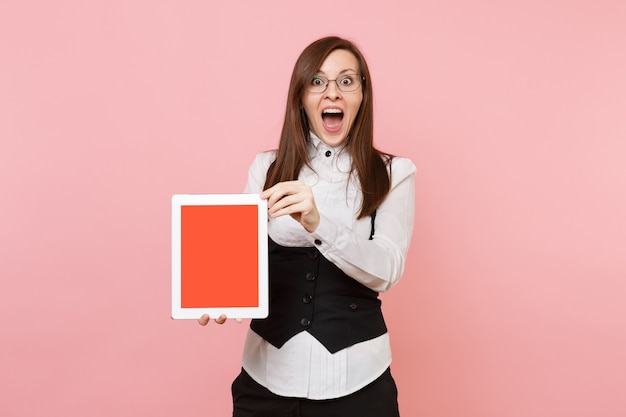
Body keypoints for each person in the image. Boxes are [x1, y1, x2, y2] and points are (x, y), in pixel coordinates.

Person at [199, 36, 416, 417]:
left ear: (362, 94)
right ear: (301, 96)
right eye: (317, 81)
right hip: (265, 379)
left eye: (346, 81)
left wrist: (320, 224)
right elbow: (240, 256)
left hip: (360, 383)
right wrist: (218, 294)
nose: (332, 92)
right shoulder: (265, 168)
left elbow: (388, 269)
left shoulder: (394, 173)